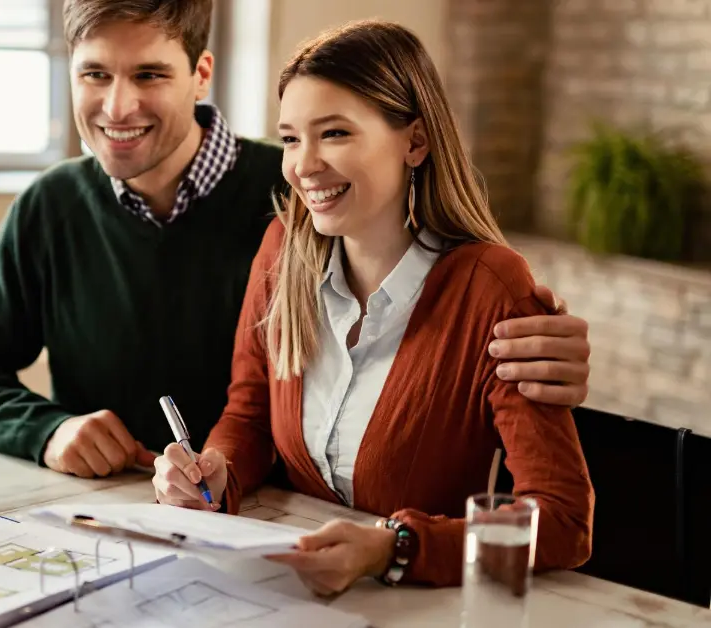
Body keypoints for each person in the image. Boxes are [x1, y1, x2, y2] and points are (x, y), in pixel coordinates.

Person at [0, 0, 594, 480]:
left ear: (201, 73)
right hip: (113, 521)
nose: (118, 107)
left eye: (150, 75)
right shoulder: (52, 206)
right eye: (95, 74)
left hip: (282, 523)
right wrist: (50, 431)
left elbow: (431, 305)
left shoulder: (305, 202)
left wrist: (535, 332)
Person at [152, 19, 594, 592]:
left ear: (415, 141)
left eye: (334, 133)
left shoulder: (491, 288)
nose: (303, 165)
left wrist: (396, 547)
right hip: (289, 593)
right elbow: (249, 415)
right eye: (290, 138)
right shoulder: (282, 253)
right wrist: (216, 472)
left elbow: (561, 520)